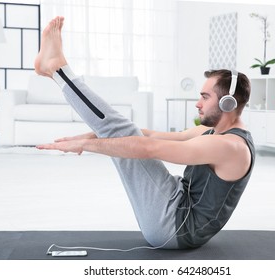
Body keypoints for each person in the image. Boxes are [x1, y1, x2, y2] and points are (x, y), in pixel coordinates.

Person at [35, 16, 255, 249]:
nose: (198, 104)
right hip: (177, 209)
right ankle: (54, 69)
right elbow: (156, 136)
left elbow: (149, 149)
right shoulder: (214, 131)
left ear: (227, 104)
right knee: (126, 132)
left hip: (175, 226)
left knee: (124, 132)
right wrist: (94, 136)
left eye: (205, 97)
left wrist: (87, 146)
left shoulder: (230, 147)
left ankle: (57, 69)